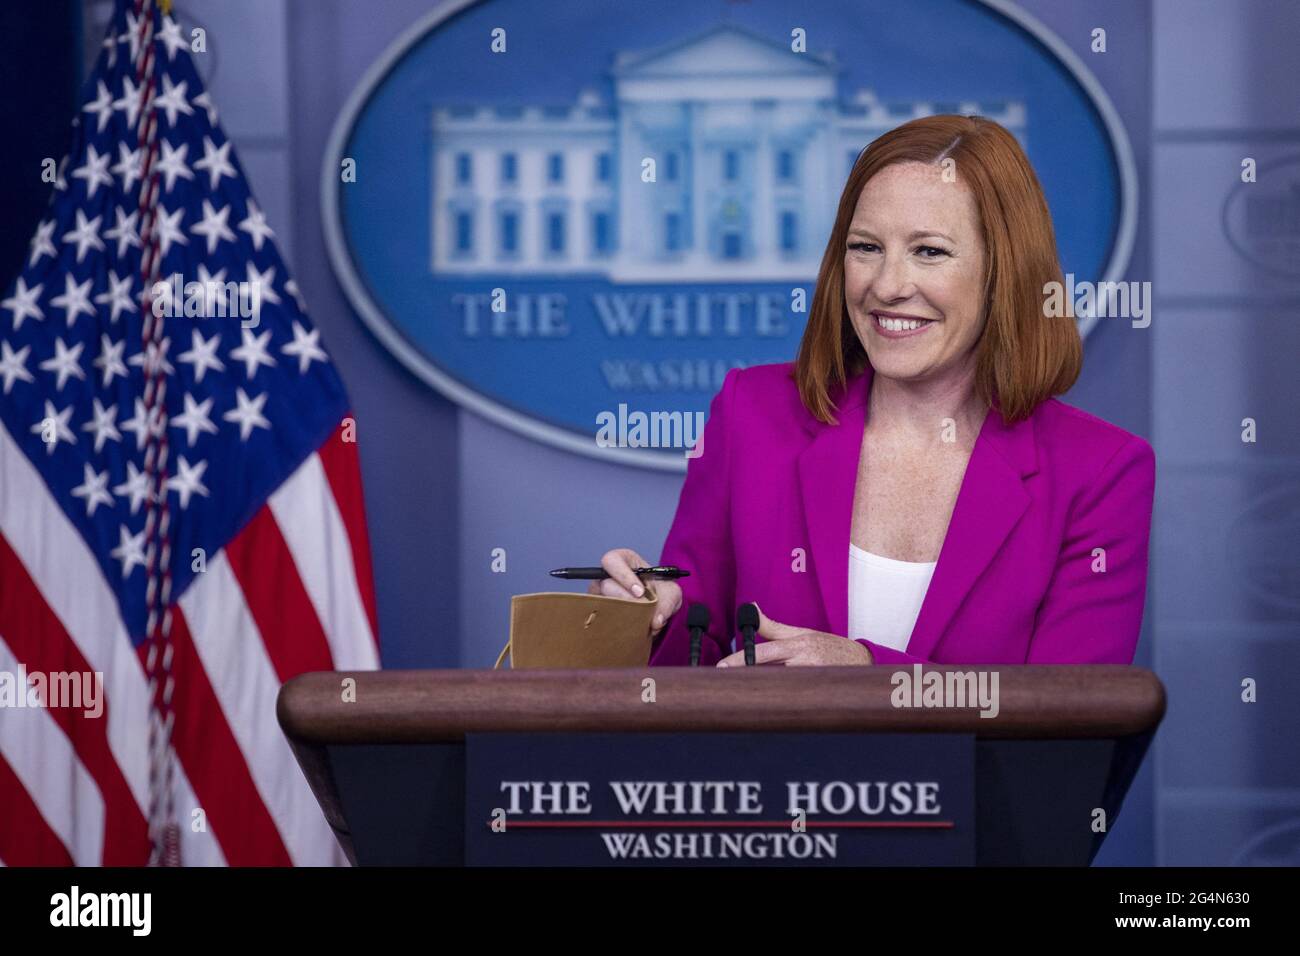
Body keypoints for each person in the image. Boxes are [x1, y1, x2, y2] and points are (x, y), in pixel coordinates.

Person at [592, 114, 1155, 668]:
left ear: (1003, 272)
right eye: (865, 247)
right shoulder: (750, 414)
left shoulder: (1101, 471)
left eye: (929, 251)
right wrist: (645, 617)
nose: (886, 286)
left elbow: (1073, 724)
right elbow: (692, 659)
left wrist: (867, 675)